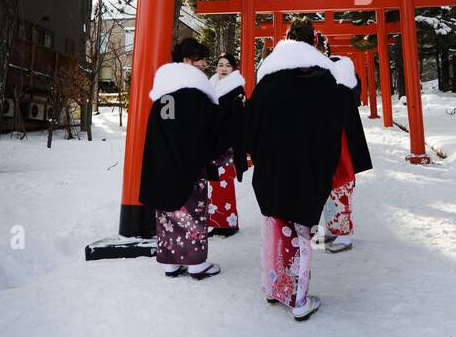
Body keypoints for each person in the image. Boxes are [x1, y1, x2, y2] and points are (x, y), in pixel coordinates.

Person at [243, 18, 363, 321]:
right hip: (308, 168)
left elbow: (249, 127)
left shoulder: (267, 81)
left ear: (285, 40)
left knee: (273, 229)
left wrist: (259, 155)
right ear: (312, 42)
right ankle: (298, 299)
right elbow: (340, 122)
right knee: (300, 233)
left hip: (272, 168)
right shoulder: (325, 80)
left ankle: (273, 287)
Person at [138, 38, 227, 280]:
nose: (204, 65)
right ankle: (197, 265)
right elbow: (209, 128)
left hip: (162, 165)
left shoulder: (164, 94)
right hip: (188, 166)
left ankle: (171, 263)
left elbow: (165, 128)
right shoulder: (193, 93)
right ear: (187, 60)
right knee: (191, 213)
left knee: (168, 214)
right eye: (201, 60)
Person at [321, 44, 373, 254]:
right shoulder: (324, 71)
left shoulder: (339, 70)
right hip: (327, 139)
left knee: (341, 185)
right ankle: (334, 228)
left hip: (340, 140)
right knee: (326, 187)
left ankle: (344, 234)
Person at [206, 53, 248, 237]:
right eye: (220, 64)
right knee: (215, 185)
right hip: (214, 144)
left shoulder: (236, 90)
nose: (223, 68)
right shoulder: (211, 86)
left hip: (227, 146)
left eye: (228, 66)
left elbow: (237, 121)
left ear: (234, 69)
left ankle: (230, 224)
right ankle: (217, 223)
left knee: (224, 185)